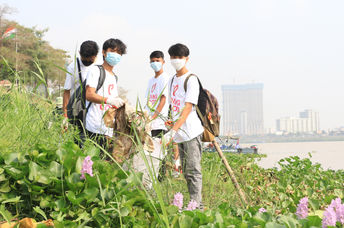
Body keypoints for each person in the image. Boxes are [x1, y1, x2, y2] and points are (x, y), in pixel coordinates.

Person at [163, 43, 204, 209]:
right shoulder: (172, 79)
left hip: (191, 132)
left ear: (186, 59)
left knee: (193, 170)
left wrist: (173, 130)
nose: (176, 60)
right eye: (173, 57)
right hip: (179, 132)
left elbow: (188, 108)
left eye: (179, 57)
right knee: (186, 172)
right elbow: (174, 105)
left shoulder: (191, 79)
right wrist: (170, 123)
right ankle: (192, 204)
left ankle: (197, 206)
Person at [85, 38, 127, 154]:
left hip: (107, 130)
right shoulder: (96, 70)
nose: (116, 55)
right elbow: (89, 95)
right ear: (104, 52)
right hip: (94, 127)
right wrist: (109, 100)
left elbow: (112, 105)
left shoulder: (114, 77)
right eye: (113, 51)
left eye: (119, 53)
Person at [62, 40, 99, 120]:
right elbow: (67, 92)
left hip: (94, 110)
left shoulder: (98, 67)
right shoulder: (72, 67)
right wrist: (65, 115)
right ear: (79, 53)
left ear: (96, 56)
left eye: (90, 60)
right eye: (85, 59)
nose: (88, 62)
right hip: (77, 109)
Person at [145, 50, 170, 138]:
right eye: (152, 61)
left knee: (158, 149)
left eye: (157, 61)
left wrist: (153, 117)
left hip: (159, 123)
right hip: (148, 123)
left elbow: (163, 100)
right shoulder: (150, 80)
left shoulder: (165, 78)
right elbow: (148, 101)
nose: (155, 63)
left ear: (163, 62)